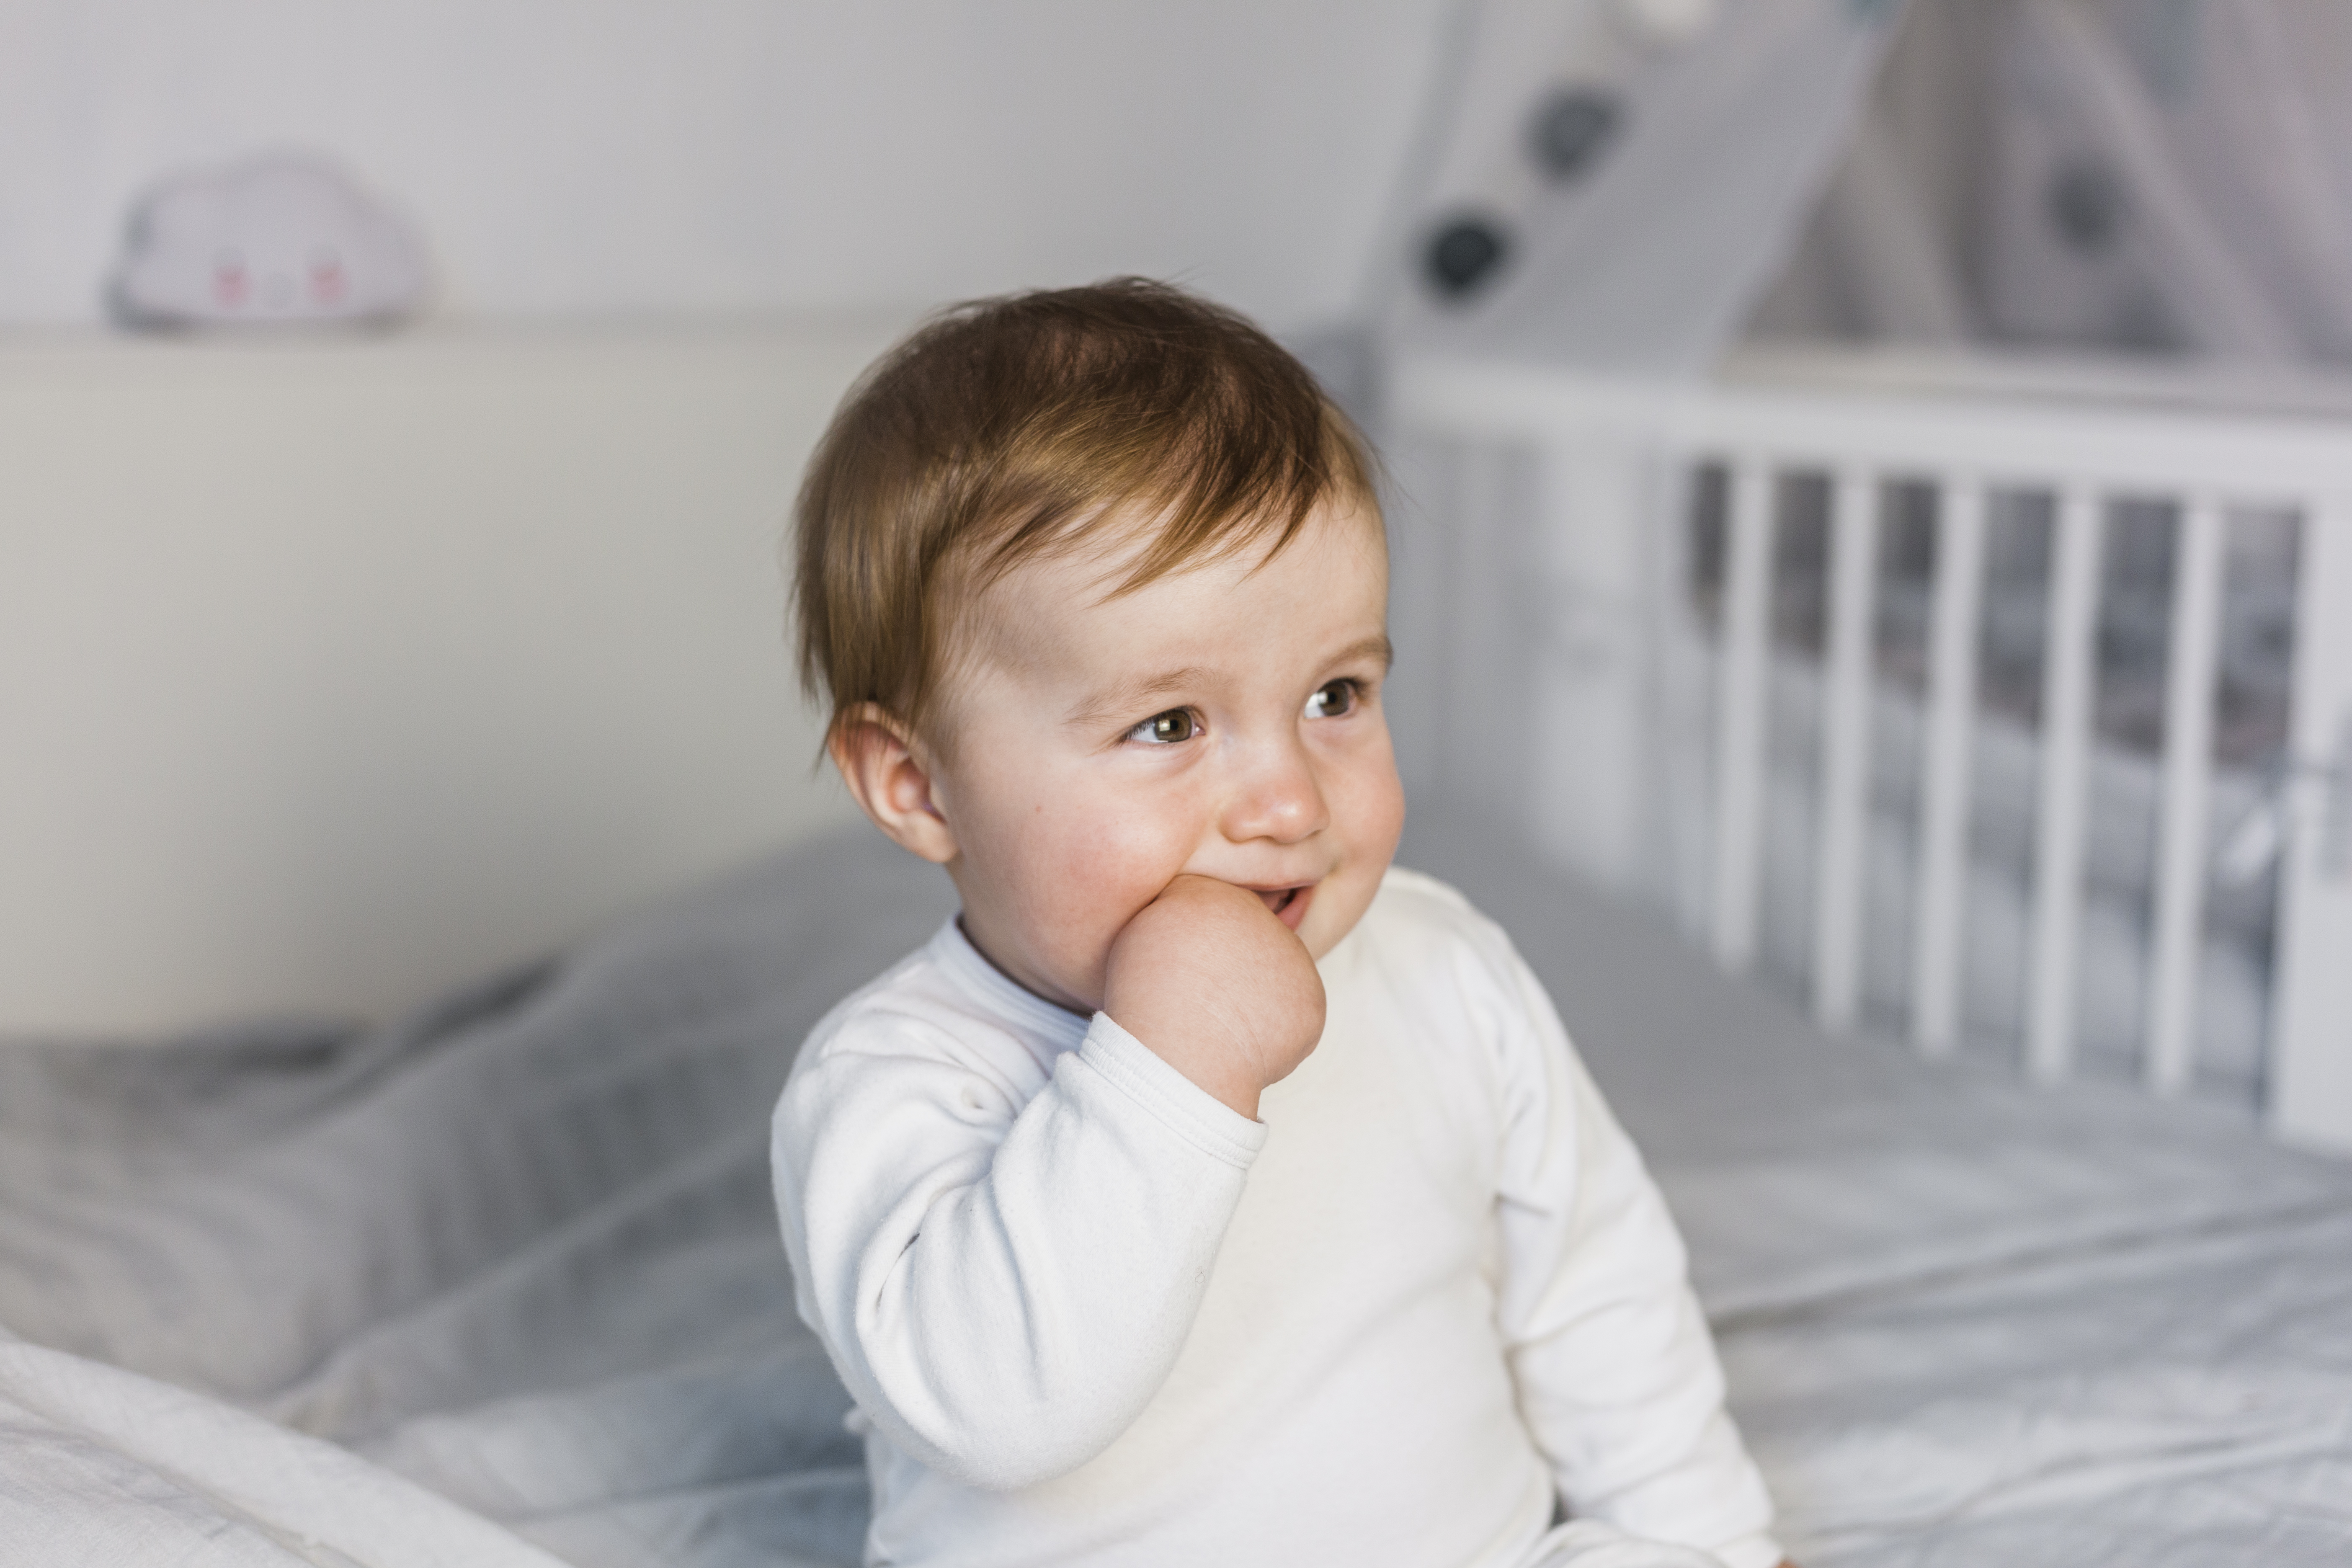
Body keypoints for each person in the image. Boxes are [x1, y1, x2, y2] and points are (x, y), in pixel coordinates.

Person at [771, 279, 1786, 1568]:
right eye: (1170, 724)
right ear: (919, 787)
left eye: (1336, 693)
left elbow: (1596, 1285)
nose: (1290, 798)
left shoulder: (1442, 969)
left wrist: (1705, 1536)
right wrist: (1172, 1060)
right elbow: (999, 1411)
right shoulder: (895, 1084)